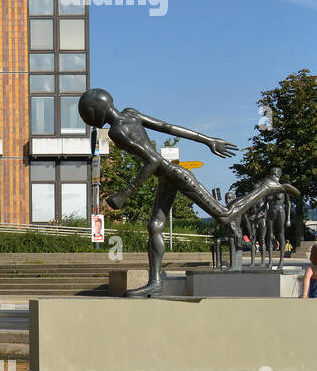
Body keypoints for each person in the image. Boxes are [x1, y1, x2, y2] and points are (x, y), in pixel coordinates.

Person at [78, 88, 298, 297]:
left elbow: (153, 160)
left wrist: (126, 193)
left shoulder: (117, 131)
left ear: (93, 112)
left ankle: (266, 187)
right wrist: (206, 140)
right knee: (154, 226)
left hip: (174, 175)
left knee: (223, 214)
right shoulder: (130, 113)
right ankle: (155, 282)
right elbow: (168, 127)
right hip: (167, 177)